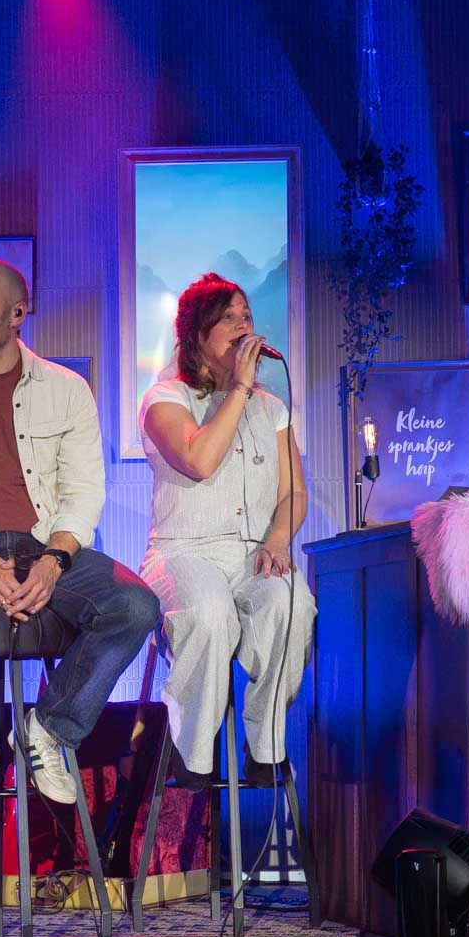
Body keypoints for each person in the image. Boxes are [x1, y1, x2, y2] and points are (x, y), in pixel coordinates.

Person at [0, 259, 159, 808]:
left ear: (18, 313)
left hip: (46, 546)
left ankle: (51, 730)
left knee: (135, 605)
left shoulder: (66, 389)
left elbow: (85, 490)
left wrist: (54, 560)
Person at [137, 273, 315, 789]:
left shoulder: (271, 408)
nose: (244, 326)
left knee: (292, 605)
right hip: (183, 553)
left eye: (247, 316)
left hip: (253, 553)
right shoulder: (164, 399)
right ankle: (190, 748)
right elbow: (198, 460)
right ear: (197, 336)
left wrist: (279, 538)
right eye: (229, 319)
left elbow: (294, 493)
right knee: (210, 614)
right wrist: (238, 386)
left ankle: (265, 746)